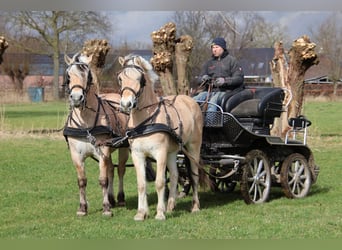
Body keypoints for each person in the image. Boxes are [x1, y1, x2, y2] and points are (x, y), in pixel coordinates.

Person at [193, 37, 245, 112]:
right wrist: (203, 78)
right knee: (194, 100)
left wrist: (225, 81)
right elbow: (199, 79)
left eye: (216, 47)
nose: (214, 50)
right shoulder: (209, 63)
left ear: (223, 48)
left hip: (227, 92)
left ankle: (211, 123)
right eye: (213, 47)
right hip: (210, 91)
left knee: (213, 102)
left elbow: (239, 78)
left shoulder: (232, 61)